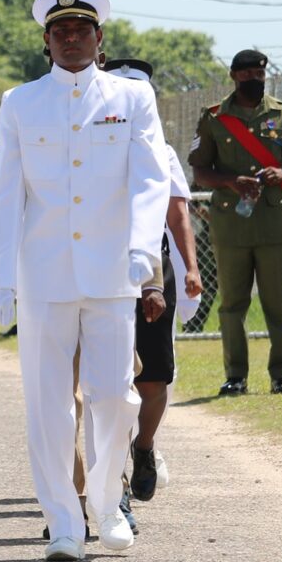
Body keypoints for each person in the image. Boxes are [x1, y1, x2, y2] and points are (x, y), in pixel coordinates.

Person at [0, 0, 170, 562]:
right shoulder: (21, 102)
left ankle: (106, 502)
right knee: (47, 402)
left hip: (113, 270)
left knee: (115, 397)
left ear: (100, 38)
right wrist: (3, 278)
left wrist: (145, 255)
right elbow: (9, 194)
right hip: (44, 274)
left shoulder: (130, 98)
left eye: (81, 30)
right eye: (60, 32)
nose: (71, 40)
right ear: (47, 41)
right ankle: (62, 518)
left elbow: (149, 179)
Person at [103, 58, 204, 500]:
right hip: (98, 266)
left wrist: (191, 267)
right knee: (106, 374)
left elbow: (177, 211)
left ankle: (143, 446)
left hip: (149, 269)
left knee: (154, 374)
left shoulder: (161, 152)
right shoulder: (88, 142)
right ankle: (111, 479)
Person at [188, 48, 282, 396]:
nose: (253, 80)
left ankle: (281, 375)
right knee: (232, 305)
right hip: (229, 222)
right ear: (233, 76)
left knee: (278, 304)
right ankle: (235, 376)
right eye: (246, 75)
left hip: (272, 221)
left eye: (259, 75)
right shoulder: (213, 118)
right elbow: (199, 170)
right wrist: (229, 181)